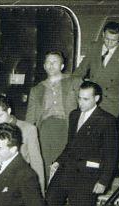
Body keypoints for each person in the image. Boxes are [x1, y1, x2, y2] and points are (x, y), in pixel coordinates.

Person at [46, 81, 119, 206]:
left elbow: (111, 154)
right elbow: (71, 145)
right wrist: (58, 161)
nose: (81, 102)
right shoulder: (74, 115)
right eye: (79, 98)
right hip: (67, 168)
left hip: (88, 175)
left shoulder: (106, 120)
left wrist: (104, 181)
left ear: (96, 99)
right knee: (50, 200)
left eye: (86, 99)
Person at [26, 51, 82, 180]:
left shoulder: (75, 82)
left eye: (55, 62)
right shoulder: (37, 89)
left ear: (62, 66)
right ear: (44, 66)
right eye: (48, 62)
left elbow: (85, 104)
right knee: (45, 163)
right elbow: (30, 118)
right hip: (45, 129)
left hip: (68, 126)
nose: (51, 65)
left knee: (64, 162)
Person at [75, 21, 119, 123]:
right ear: (103, 34)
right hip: (90, 99)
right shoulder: (94, 47)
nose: (109, 43)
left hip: (111, 102)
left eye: (113, 40)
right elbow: (81, 70)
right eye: (107, 39)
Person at [0, 95, 45, 190]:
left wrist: (39, 192)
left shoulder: (28, 129)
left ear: (9, 111)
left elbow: (36, 162)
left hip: (19, 183)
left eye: (0, 115)